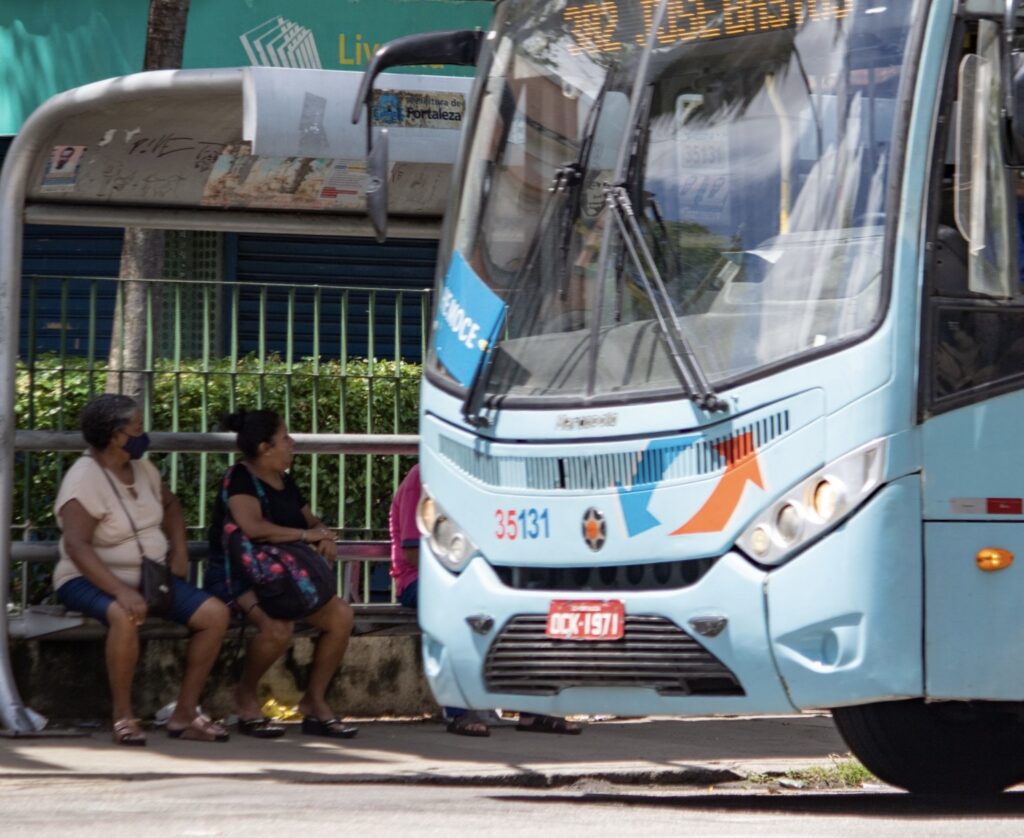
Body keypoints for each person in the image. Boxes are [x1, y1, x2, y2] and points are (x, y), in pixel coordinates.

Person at [53, 394, 231, 746]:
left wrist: (179, 551)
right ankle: (123, 716)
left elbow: (171, 504)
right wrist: (119, 590)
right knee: (124, 615)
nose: (142, 434)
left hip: (150, 578)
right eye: (137, 427)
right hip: (86, 578)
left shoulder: (145, 470)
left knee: (215, 615)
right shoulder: (83, 479)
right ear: (117, 436)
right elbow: (77, 546)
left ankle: (184, 713)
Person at [389, 464, 581, 737]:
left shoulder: (476, 482)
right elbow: (412, 554)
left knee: (532, 604)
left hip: (471, 578)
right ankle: (457, 710)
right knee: (458, 606)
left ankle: (534, 710)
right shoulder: (421, 479)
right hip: (420, 581)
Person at [206, 408, 357, 740]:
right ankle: (245, 696)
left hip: (282, 578)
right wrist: (306, 537)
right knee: (276, 628)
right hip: (239, 576)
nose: (292, 443)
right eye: (285, 437)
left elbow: (311, 521)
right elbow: (253, 529)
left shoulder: (284, 481)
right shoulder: (240, 478)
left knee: (341, 616)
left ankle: (314, 702)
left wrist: (325, 535)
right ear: (264, 447)